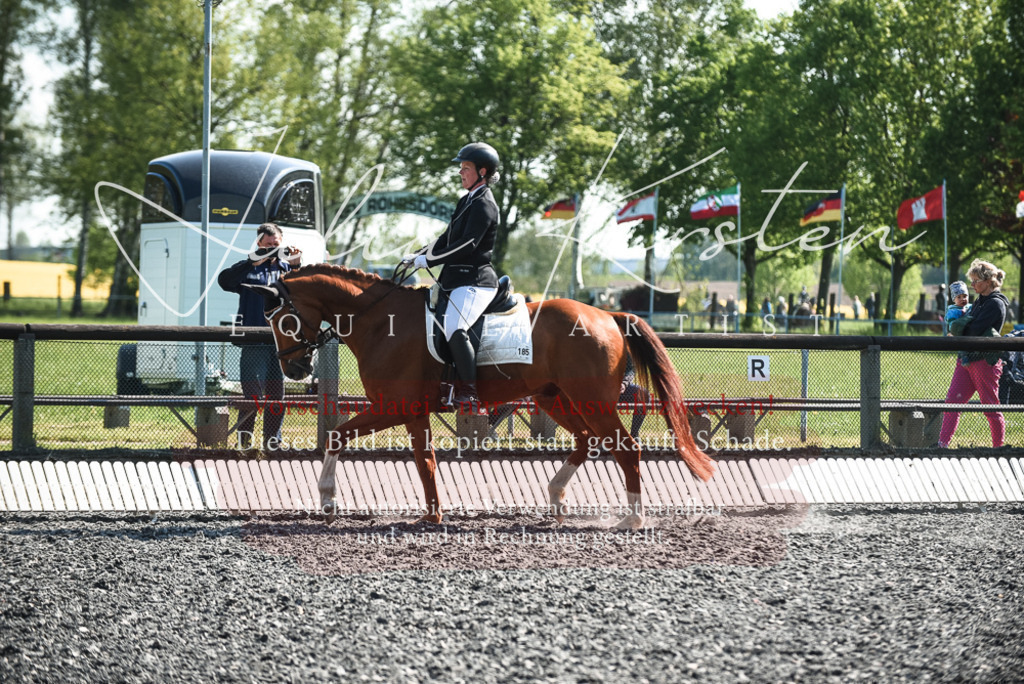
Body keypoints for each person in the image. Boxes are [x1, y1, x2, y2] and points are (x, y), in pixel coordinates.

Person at [403, 142, 500, 410]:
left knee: (455, 327)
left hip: (475, 281)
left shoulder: (485, 205)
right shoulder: (467, 200)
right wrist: (418, 254)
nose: (460, 173)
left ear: (482, 171)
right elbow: (448, 238)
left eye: (465, 168)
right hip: (455, 280)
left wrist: (430, 260)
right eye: (461, 168)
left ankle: (469, 392)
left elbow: (467, 245)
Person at [218, 223, 302, 450]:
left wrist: (296, 266)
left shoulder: (287, 269)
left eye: (277, 245)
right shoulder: (248, 267)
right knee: (252, 397)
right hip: (253, 341)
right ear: (258, 243)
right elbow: (224, 281)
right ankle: (244, 443)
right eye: (268, 245)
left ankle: (272, 443)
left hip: (280, 342)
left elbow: (302, 295)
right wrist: (250, 262)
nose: (273, 249)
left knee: (276, 397)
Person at [938, 259, 1010, 449]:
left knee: (990, 407)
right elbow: (968, 325)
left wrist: (958, 329)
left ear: (987, 281)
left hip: (984, 361)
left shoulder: (995, 304)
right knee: (952, 401)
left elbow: (973, 330)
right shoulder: (980, 302)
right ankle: (942, 445)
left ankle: (998, 448)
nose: (972, 285)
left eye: (975, 280)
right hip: (966, 359)